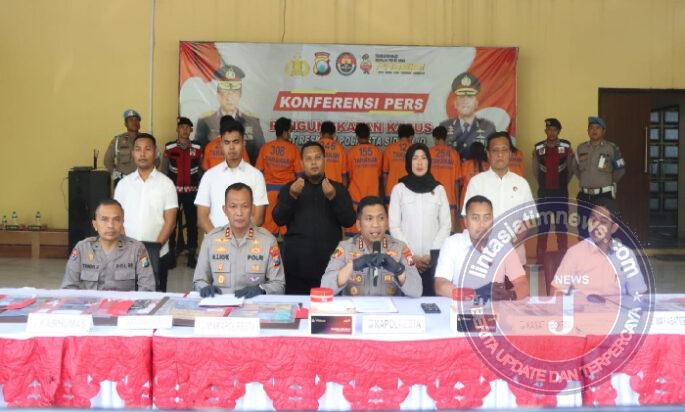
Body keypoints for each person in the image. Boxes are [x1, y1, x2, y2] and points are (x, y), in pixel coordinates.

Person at [272, 141, 356, 294]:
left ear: (325, 160)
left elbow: (349, 221)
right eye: (308, 159)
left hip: (331, 269)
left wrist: (333, 198)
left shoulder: (338, 189)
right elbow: (278, 219)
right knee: (298, 308)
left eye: (317, 158)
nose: (313, 162)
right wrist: (291, 196)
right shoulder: (291, 188)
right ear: (302, 163)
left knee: (330, 308)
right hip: (296, 269)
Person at [193, 183, 285, 297]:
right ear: (225, 210)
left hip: (253, 305)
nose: (239, 213)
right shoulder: (211, 240)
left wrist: (262, 289)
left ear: (253, 209)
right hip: (220, 304)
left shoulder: (268, 241)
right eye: (233, 206)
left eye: (245, 206)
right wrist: (204, 288)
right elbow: (199, 280)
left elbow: (279, 284)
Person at [321, 196, 422, 297]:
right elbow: (325, 287)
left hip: (388, 307)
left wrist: (398, 270)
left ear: (387, 223)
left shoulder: (401, 248)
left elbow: (417, 291)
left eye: (381, 218)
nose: (375, 224)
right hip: (355, 306)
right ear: (359, 225)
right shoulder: (345, 248)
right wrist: (352, 265)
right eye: (369, 219)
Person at [114, 133, 178, 292]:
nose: (142, 154)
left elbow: (170, 222)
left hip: (158, 254)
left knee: (155, 297)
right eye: (138, 149)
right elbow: (116, 219)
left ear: (155, 152)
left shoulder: (166, 184)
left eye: (147, 149)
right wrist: (127, 247)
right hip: (126, 254)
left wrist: (154, 249)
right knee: (127, 297)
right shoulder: (123, 185)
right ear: (133, 153)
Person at [434, 195, 529, 300]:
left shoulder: (504, 245)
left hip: (495, 307)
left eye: (487, 218)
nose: (482, 224)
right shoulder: (452, 243)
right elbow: (440, 285)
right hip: (461, 305)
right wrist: (475, 295)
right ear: (465, 221)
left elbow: (522, 284)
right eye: (475, 218)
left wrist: (509, 295)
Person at [551, 199, 647, 298]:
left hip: (617, 307)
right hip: (583, 307)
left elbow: (639, 294)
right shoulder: (575, 253)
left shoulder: (626, 255)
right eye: (593, 219)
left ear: (613, 228)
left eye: (603, 222)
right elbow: (557, 291)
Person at [62, 199, 156, 291]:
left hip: (124, 302)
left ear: (122, 223)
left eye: (116, 220)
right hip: (91, 301)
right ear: (95, 224)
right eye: (104, 219)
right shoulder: (82, 248)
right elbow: (68, 288)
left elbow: (147, 289)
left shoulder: (136, 249)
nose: (110, 225)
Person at [195, 119, 268, 234]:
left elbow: (258, 218)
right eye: (227, 142)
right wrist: (219, 239)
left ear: (243, 143)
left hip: (246, 242)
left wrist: (239, 240)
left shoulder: (256, 176)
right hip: (215, 242)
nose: (232, 147)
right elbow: (202, 218)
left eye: (236, 142)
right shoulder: (209, 176)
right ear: (221, 144)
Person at [389, 143, 450, 276]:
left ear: (429, 161)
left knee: (432, 289)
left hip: (432, 260)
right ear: (409, 162)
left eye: (423, 158)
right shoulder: (399, 189)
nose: (419, 162)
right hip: (406, 260)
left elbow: (445, 225)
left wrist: (431, 255)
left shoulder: (439, 189)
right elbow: (394, 226)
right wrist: (411, 256)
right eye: (415, 158)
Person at [194, 64, 264, 164]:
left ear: (240, 95)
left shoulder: (252, 121)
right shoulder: (205, 121)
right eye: (225, 93)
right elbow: (199, 154)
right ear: (218, 95)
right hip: (216, 171)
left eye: (233, 93)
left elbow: (259, 153)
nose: (229, 98)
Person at [462, 132, 534, 219]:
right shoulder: (476, 182)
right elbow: (468, 218)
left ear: (510, 154)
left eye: (504, 150)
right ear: (488, 154)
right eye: (495, 150)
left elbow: (530, 218)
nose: (500, 154)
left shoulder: (522, 184)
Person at [161, 117, 202, 268]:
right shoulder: (170, 147)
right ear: (177, 129)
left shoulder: (198, 147)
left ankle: (192, 255)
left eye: (187, 127)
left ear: (191, 130)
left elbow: (201, 170)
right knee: (171, 224)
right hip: (173, 193)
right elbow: (164, 170)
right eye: (182, 127)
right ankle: (171, 255)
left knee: (192, 224)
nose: (184, 130)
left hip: (192, 193)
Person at [575, 116, 626, 238]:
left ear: (603, 131)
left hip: (604, 196)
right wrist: (585, 180)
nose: (594, 130)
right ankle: (585, 251)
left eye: (598, 128)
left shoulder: (611, 148)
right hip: (585, 196)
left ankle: (602, 251)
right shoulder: (581, 148)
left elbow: (620, 169)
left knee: (603, 229)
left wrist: (609, 182)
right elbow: (575, 168)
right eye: (591, 128)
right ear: (587, 131)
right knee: (583, 229)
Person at [532, 118, 576, 256]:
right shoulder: (538, 147)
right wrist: (543, 183)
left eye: (554, 130)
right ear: (545, 130)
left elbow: (571, 168)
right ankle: (540, 257)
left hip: (560, 193)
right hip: (544, 193)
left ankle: (563, 257)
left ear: (559, 131)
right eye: (549, 129)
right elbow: (535, 169)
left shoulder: (566, 146)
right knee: (543, 226)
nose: (551, 132)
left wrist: (563, 183)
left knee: (561, 226)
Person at [255, 117, 303, 236]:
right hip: (287, 194)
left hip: (269, 194)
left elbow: (258, 172)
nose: (290, 134)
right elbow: (300, 175)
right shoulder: (293, 149)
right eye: (290, 131)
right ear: (285, 132)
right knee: (288, 231)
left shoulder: (265, 148)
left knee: (268, 232)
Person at [439, 72, 496, 158]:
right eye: (461, 96)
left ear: (476, 104)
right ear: (455, 104)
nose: (465, 101)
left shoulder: (488, 127)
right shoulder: (444, 126)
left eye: (470, 96)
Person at [346, 122, 382, 235]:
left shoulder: (351, 152)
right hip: (372, 196)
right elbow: (379, 174)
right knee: (371, 228)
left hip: (355, 195)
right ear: (369, 135)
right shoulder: (377, 151)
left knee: (355, 231)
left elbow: (349, 175)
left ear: (356, 136)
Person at [429, 125, 462, 233]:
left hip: (431, 199)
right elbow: (457, 181)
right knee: (449, 233)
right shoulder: (454, 154)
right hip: (449, 200)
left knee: (431, 232)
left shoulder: (428, 153)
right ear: (446, 137)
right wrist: (457, 202)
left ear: (434, 138)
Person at [104, 109, 140, 186]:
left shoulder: (146, 139)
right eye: (131, 120)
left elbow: (156, 159)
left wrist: (148, 174)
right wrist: (117, 176)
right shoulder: (117, 140)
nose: (134, 122)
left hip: (142, 182)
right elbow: (107, 161)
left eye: (136, 120)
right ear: (125, 124)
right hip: (123, 181)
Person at [382, 124, 413, 202]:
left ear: (398, 135)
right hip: (410, 191)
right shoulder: (415, 149)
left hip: (391, 190)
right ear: (411, 137)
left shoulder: (389, 149)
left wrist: (385, 189)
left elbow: (385, 174)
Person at [459, 142, 489, 215]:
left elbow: (460, 182)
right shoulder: (487, 165)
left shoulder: (465, 164)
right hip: (484, 199)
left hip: (466, 198)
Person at [318, 121, 348, 186]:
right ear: (333, 134)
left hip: (317, 186)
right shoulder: (341, 148)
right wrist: (344, 190)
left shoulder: (314, 146)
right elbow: (344, 174)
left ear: (321, 133)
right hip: (335, 187)